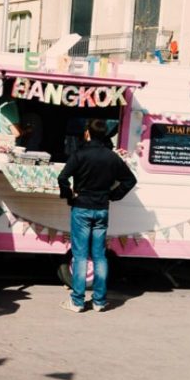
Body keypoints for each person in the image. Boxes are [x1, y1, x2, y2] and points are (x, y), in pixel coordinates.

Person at [56, 119, 137, 313]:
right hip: (102, 208)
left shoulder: (79, 155)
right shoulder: (112, 157)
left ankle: (77, 301)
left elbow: (62, 178)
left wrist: (68, 196)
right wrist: (113, 195)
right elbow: (130, 180)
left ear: (87, 134)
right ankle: (99, 301)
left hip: (82, 207)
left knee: (81, 255)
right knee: (100, 255)